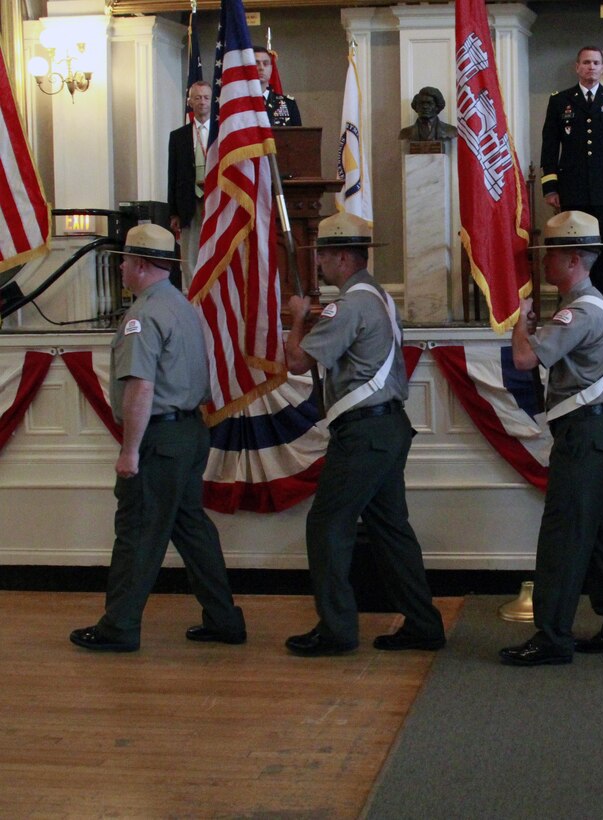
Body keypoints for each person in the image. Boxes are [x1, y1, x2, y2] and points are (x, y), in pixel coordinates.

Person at [70, 224, 246, 652]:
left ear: (143, 265)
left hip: (160, 438)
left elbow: (140, 387)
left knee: (137, 531)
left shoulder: (143, 316)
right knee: (191, 529)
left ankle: (120, 627)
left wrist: (130, 451)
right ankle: (224, 620)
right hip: (189, 433)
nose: (123, 269)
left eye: (126, 261)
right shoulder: (184, 308)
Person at [283, 212, 445, 657]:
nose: (317, 264)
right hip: (387, 427)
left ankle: (336, 629)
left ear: (338, 257)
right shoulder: (380, 298)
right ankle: (423, 624)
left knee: (327, 525)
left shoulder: (348, 305)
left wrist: (299, 318)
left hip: (364, 433)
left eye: (321, 255)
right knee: (391, 528)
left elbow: (297, 362)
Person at [500, 211, 603, 667]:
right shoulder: (585, 305)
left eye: (550, 255)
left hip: (584, 433)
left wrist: (518, 321)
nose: (542, 263)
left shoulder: (579, 311)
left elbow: (525, 359)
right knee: (595, 533)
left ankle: (552, 635)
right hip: (589, 431)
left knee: (564, 533)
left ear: (572, 259)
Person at [540, 46, 603, 301]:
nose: (591, 67)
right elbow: (550, 145)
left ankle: (600, 303)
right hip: (572, 188)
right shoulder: (560, 101)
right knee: (572, 250)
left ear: (602, 67)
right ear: (577, 67)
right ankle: (573, 303)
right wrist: (550, 186)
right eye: (586, 62)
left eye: (596, 62)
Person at [168, 81, 212, 292]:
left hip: (214, 199)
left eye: (205, 97)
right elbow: (172, 175)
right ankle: (192, 294)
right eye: (197, 97)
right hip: (188, 201)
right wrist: (173, 212)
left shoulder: (221, 132)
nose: (202, 102)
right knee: (189, 253)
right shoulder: (178, 136)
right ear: (190, 102)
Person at [253, 46, 301, 126]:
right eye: (256, 63)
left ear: (271, 68)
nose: (261, 68)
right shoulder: (237, 104)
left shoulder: (288, 104)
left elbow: (297, 136)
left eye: (265, 64)